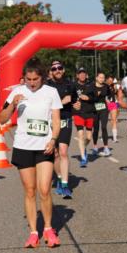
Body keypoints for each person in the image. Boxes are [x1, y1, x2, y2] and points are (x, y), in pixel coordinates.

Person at [0, 59, 61, 248]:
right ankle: (33, 233)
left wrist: (53, 140)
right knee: (30, 190)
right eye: (28, 79)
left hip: (44, 146)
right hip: (23, 145)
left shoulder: (51, 92)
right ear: (24, 78)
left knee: (44, 189)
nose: (32, 83)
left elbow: (56, 121)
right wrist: (12, 105)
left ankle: (48, 229)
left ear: (42, 77)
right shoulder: (17, 91)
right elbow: (1, 119)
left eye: (35, 79)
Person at [46, 60, 77, 198]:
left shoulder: (70, 85)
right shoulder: (47, 86)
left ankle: (65, 185)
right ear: (51, 72)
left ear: (63, 70)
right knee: (55, 154)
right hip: (51, 122)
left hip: (65, 120)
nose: (57, 70)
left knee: (63, 152)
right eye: (54, 68)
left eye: (59, 68)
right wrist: (61, 102)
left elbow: (75, 101)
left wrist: (77, 105)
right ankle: (59, 177)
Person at [72, 67, 97, 167]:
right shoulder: (73, 86)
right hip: (78, 113)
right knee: (80, 135)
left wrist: (88, 98)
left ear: (86, 75)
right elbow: (70, 98)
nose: (82, 75)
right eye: (80, 73)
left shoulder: (91, 85)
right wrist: (73, 104)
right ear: (77, 75)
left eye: (84, 73)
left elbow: (96, 97)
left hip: (90, 113)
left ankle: (84, 147)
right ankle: (83, 157)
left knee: (88, 137)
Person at [92, 72, 112, 157]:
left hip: (104, 109)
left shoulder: (106, 86)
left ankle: (106, 147)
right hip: (94, 110)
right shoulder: (91, 87)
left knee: (104, 127)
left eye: (103, 78)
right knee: (96, 128)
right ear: (96, 78)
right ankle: (95, 146)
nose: (102, 79)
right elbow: (89, 97)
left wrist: (109, 102)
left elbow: (110, 96)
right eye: (100, 77)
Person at [106, 74, 120, 144]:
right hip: (104, 105)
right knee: (104, 121)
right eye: (109, 80)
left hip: (112, 104)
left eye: (111, 80)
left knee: (114, 120)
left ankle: (115, 137)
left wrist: (116, 89)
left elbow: (118, 94)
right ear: (106, 80)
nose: (110, 81)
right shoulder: (103, 86)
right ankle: (104, 136)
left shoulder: (114, 86)